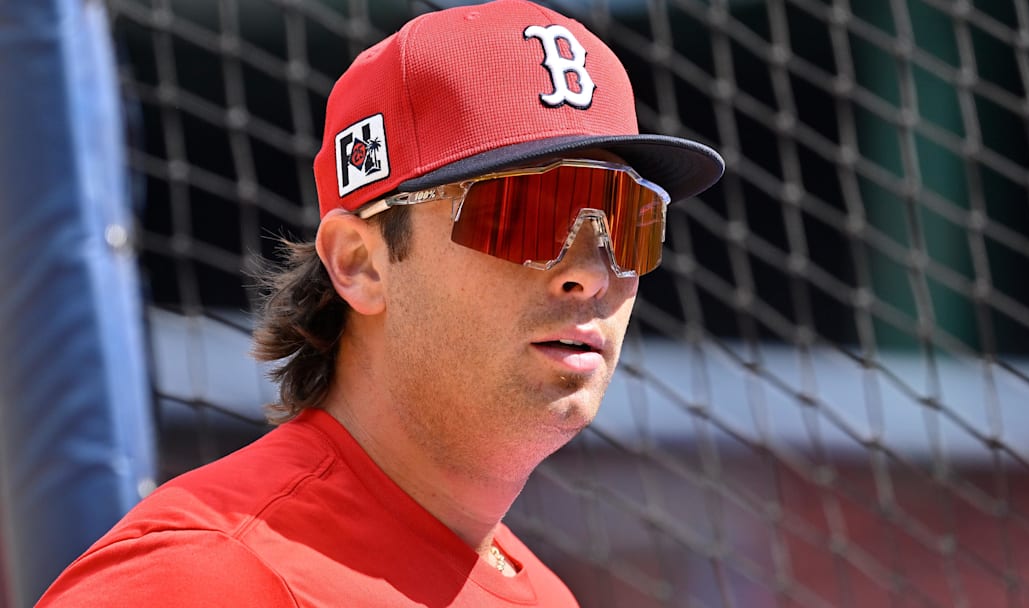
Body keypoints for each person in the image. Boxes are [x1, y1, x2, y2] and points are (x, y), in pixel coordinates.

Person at [37, 0, 724, 605]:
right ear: (361, 264)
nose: (591, 275)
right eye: (527, 214)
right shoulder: (200, 576)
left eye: (629, 218)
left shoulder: (546, 595)